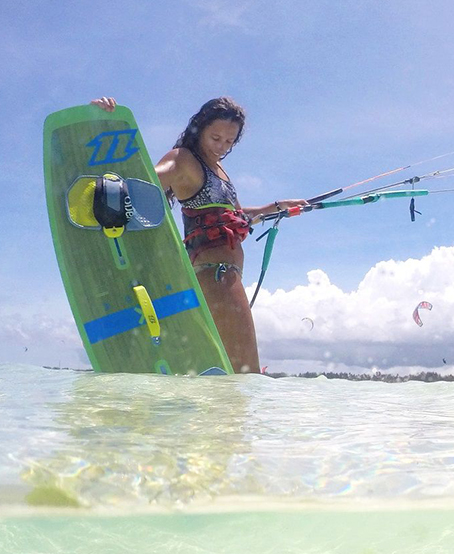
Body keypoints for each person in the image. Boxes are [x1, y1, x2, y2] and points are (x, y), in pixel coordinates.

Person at [90, 96, 307, 373]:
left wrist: (275, 207)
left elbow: (235, 215)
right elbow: (143, 180)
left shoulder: (219, 171)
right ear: (199, 128)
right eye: (215, 138)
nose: (221, 147)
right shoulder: (183, 160)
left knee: (222, 374)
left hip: (222, 277)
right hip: (218, 277)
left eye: (229, 142)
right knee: (246, 375)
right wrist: (104, 126)